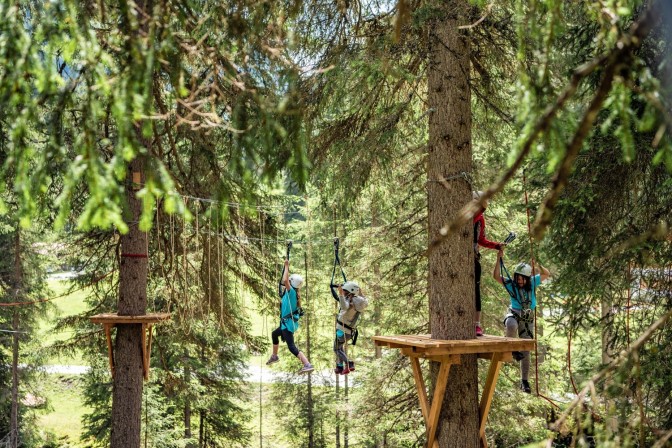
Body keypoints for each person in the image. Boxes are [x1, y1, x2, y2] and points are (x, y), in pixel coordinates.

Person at [494, 249, 550, 393]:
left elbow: (546, 274)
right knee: (511, 324)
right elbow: (496, 276)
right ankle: (511, 348)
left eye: (522, 278)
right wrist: (498, 259)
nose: (519, 281)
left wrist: (537, 264)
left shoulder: (532, 282)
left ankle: (524, 381)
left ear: (526, 279)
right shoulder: (511, 284)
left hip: (527, 317)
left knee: (526, 349)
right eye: (517, 277)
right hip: (514, 312)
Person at [266, 259, 314, 374]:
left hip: (287, 325)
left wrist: (286, 266)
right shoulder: (294, 293)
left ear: (292, 283)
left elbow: (285, 280)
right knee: (274, 334)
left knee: (292, 347)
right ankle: (274, 356)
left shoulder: (291, 291)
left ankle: (307, 364)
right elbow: (285, 282)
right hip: (287, 324)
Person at [473, 190, 506, 337]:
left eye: (481, 206)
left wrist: (496, 245)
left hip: (473, 257)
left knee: (476, 289)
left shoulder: (480, 219)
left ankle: (477, 325)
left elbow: (481, 239)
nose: (479, 209)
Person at [330, 281, 368, 375]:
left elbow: (344, 306)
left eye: (345, 291)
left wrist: (341, 294)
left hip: (343, 330)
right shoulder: (359, 300)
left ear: (350, 292)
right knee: (340, 347)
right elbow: (365, 301)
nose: (343, 292)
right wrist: (359, 291)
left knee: (336, 349)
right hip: (348, 331)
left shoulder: (351, 300)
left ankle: (349, 363)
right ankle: (339, 366)